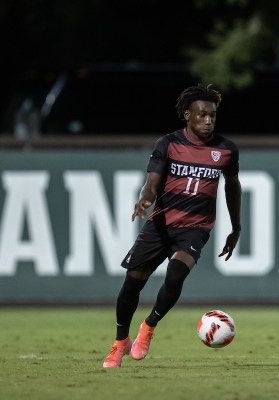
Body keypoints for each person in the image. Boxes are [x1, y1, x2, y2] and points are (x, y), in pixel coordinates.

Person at [103, 84, 242, 368]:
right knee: (132, 285)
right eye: (202, 115)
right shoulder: (167, 144)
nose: (208, 120)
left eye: (212, 115)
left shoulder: (226, 150)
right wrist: (144, 200)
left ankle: (149, 327)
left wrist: (236, 226)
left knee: (176, 275)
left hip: (195, 228)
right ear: (187, 115)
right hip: (161, 225)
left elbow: (232, 185)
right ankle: (120, 343)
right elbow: (152, 185)